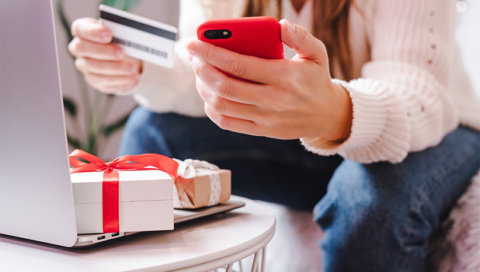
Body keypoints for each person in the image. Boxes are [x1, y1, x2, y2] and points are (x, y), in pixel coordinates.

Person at [68, 0, 480, 270]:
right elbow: (204, 70)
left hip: (435, 130)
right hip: (308, 140)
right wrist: (138, 67)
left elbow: (417, 91)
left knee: (368, 199)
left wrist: (336, 111)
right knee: (150, 131)